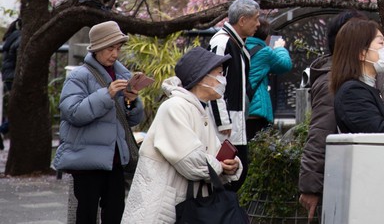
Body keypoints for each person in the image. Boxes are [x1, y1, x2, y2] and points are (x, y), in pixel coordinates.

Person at [121, 47, 243, 223]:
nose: (223, 80)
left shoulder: (201, 109)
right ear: (202, 78)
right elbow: (190, 161)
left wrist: (232, 165)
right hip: (165, 207)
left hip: (187, 206)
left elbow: (213, 155)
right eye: (219, 74)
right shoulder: (174, 108)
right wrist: (220, 166)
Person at [53, 21, 145, 224]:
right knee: (86, 215)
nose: (115, 54)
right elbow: (72, 112)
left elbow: (133, 120)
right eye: (110, 48)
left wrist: (131, 100)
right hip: (87, 161)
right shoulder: (79, 76)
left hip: (115, 159)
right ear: (96, 49)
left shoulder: (122, 74)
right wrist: (107, 94)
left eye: (118, 48)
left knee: (115, 213)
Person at [297, 11, 377, 222]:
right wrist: (310, 187)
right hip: (343, 179)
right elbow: (320, 132)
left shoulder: (362, 76)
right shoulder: (334, 81)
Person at [331, 18, 384, 134]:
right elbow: (378, 131)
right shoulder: (352, 92)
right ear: (362, 53)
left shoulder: (367, 87)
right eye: (381, 43)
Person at [209, 0, 260, 191]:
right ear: (243, 20)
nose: (257, 24)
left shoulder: (236, 43)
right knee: (229, 177)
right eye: (255, 18)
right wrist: (222, 122)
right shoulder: (222, 42)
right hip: (226, 124)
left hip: (234, 121)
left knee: (238, 174)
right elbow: (213, 84)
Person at [245, 17, 293, 142]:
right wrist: (279, 48)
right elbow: (285, 64)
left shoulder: (241, 47)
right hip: (257, 112)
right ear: (266, 36)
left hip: (243, 108)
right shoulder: (264, 52)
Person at [0, 17, 20, 143]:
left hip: (7, 77)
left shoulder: (11, 36)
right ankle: (2, 130)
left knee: (16, 110)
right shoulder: (20, 38)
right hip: (13, 77)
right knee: (19, 112)